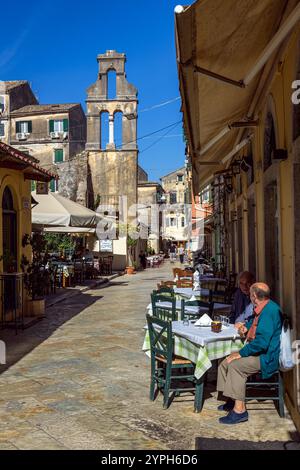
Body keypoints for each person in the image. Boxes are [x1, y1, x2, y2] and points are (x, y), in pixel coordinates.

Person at [216, 282, 282, 425]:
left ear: (254, 296)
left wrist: (241, 353)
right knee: (224, 361)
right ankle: (231, 399)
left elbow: (262, 342)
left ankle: (239, 411)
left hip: (266, 357)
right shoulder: (263, 307)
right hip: (258, 351)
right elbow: (254, 321)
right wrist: (245, 327)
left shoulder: (270, 311)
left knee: (235, 366)